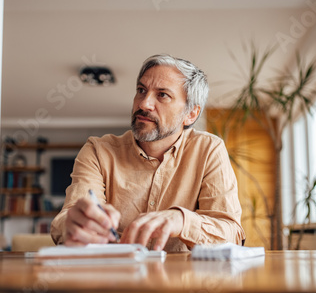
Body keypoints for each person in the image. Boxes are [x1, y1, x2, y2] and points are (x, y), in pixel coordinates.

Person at [51, 54, 245, 252]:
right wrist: (74, 226)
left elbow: (231, 235)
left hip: (184, 281)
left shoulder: (208, 150)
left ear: (191, 114)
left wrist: (182, 221)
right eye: (141, 91)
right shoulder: (98, 151)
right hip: (115, 279)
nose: (144, 104)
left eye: (162, 95)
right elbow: (66, 219)